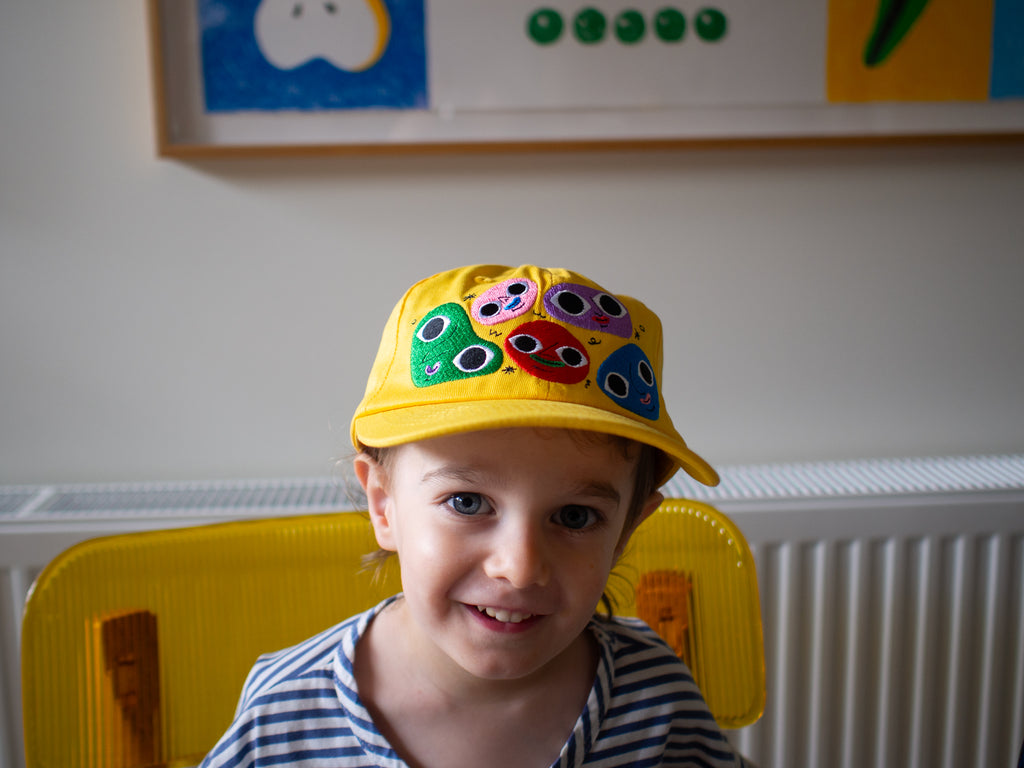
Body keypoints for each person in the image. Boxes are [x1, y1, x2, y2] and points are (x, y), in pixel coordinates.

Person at [200, 264, 747, 768]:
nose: (519, 566)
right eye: (467, 502)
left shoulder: (657, 699)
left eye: (576, 516)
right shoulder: (284, 714)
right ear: (384, 505)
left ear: (628, 529)